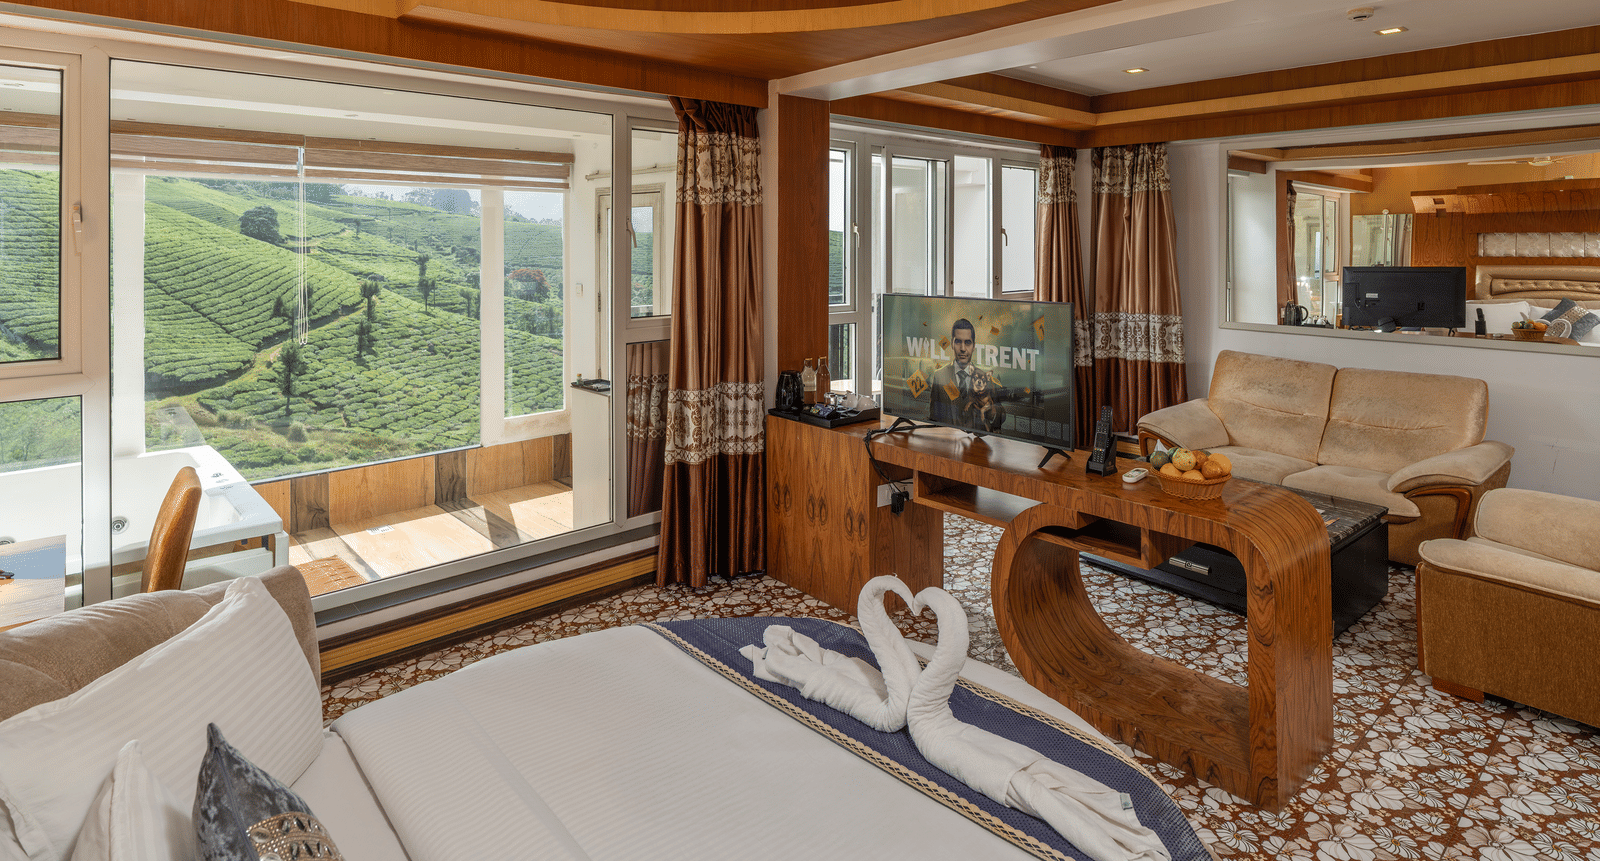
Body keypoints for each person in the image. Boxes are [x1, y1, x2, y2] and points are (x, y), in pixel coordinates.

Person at [928, 318, 976, 424]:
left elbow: (998, 415)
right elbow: (933, 418)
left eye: (967, 342)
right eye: (958, 342)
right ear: (952, 344)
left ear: (974, 346)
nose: (963, 348)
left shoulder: (984, 378)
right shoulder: (939, 375)